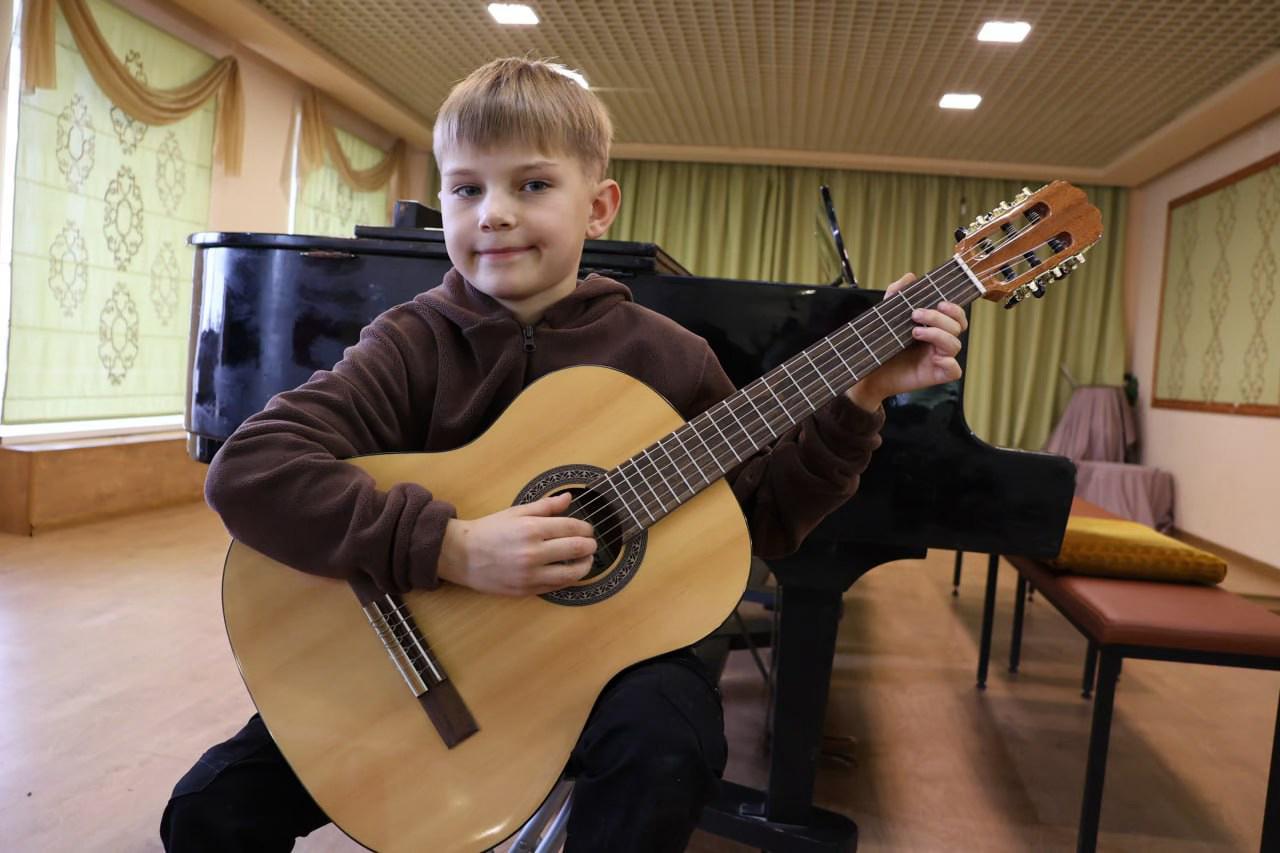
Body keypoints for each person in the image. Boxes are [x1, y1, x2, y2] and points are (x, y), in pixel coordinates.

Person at [161, 57, 968, 852]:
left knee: (668, 748)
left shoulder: (669, 357)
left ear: (599, 206)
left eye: (533, 185)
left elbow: (766, 519)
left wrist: (861, 399)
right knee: (209, 810)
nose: (494, 214)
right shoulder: (411, 343)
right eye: (466, 189)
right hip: (408, 655)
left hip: (613, 664)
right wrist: (452, 547)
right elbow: (251, 468)